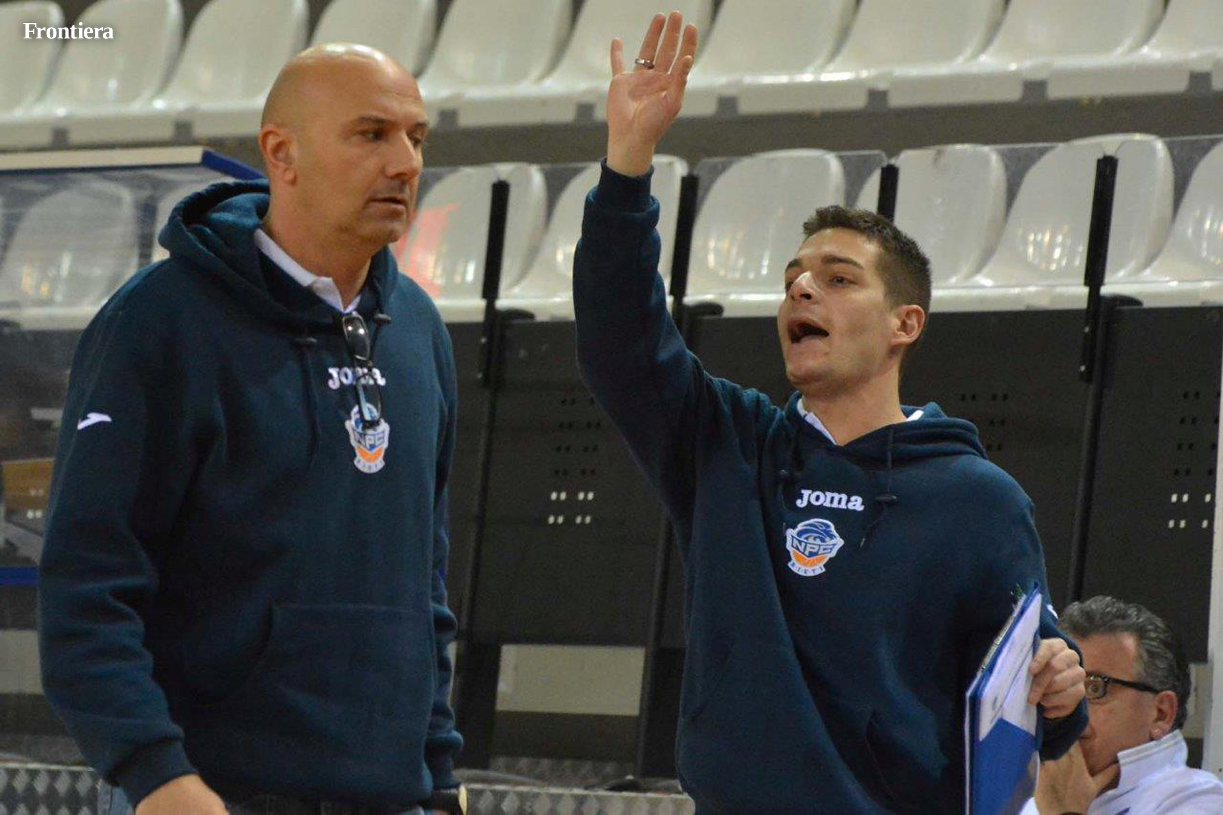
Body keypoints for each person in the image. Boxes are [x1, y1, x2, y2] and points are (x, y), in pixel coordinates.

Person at [573, 12, 1089, 813]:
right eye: (792, 280)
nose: (802, 289)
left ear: (904, 324)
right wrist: (627, 161)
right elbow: (619, 337)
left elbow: (1033, 701)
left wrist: (1061, 686)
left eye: (838, 278)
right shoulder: (727, 445)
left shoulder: (980, 502)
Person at [37, 44, 465, 815]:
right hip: (209, 793)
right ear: (281, 153)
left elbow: (420, 582)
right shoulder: (158, 323)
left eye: (416, 137)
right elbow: (86, 585)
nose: (405, 163)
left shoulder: (418, 331)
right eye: (371, 134)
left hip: (391, 795)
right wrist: (155, 774)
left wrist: (437, 776)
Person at [1027, 596, 1223, 814]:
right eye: (1059, 687)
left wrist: (1063, 811)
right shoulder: (1021, 795)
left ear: (1161, 713)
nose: (1068, 705)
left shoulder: (1200, 802)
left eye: (1094, 688)